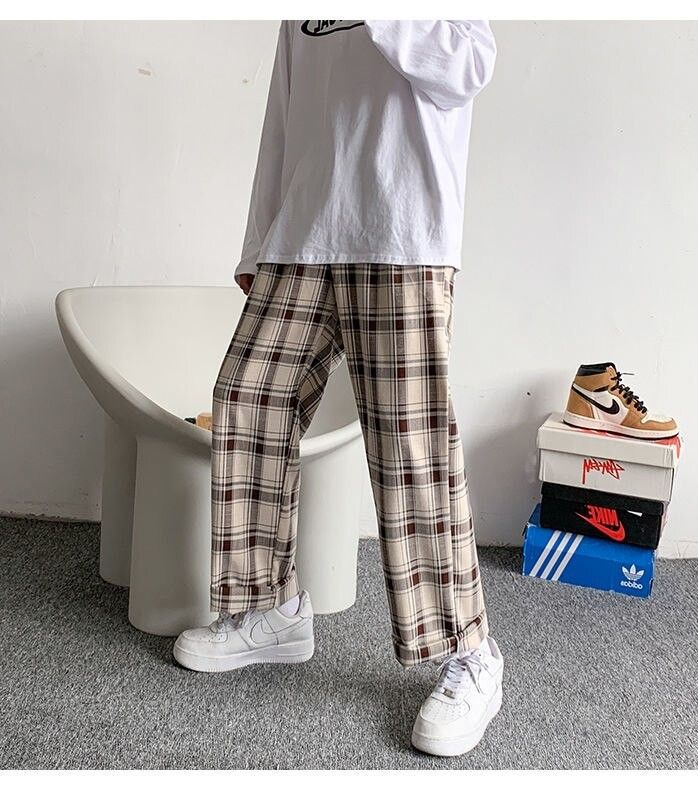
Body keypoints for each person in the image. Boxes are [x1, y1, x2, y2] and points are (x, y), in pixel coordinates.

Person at [173, 19, 501, 757]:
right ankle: (272, 610)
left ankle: (471, 653)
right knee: (248, 400)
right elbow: (284, 111)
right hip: (304, 233)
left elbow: (469, 65)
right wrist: (258, 241)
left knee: (409, 448)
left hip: (405, 233)